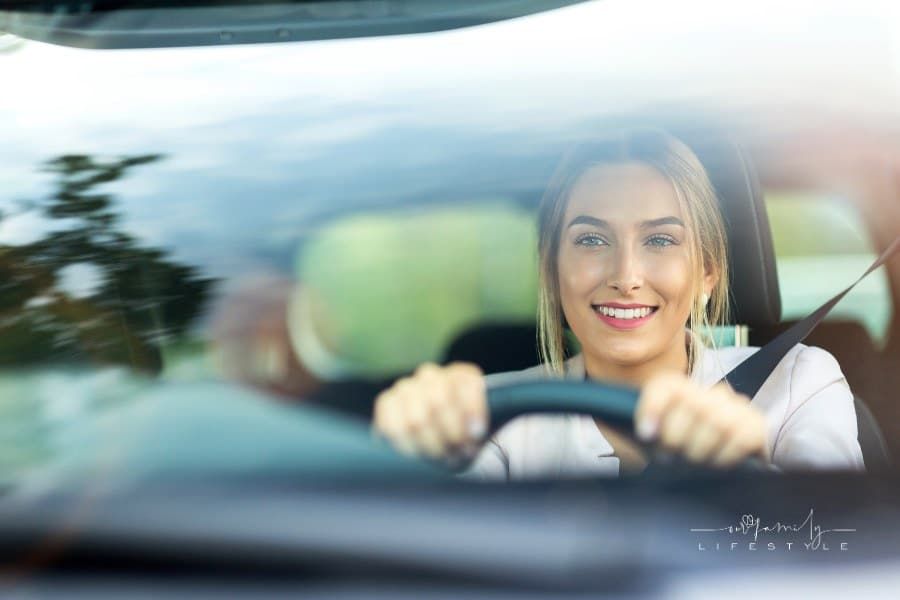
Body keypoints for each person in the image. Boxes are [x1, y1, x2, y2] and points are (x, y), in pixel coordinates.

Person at [372, 129, 865, 479]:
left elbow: (841, 552)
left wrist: (742, 476)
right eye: (590, 240)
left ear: (708, 272)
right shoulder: (490, 416)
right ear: (550, 268)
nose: (625, 277)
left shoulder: (798, 383)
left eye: (660, 241)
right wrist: (412, 459)